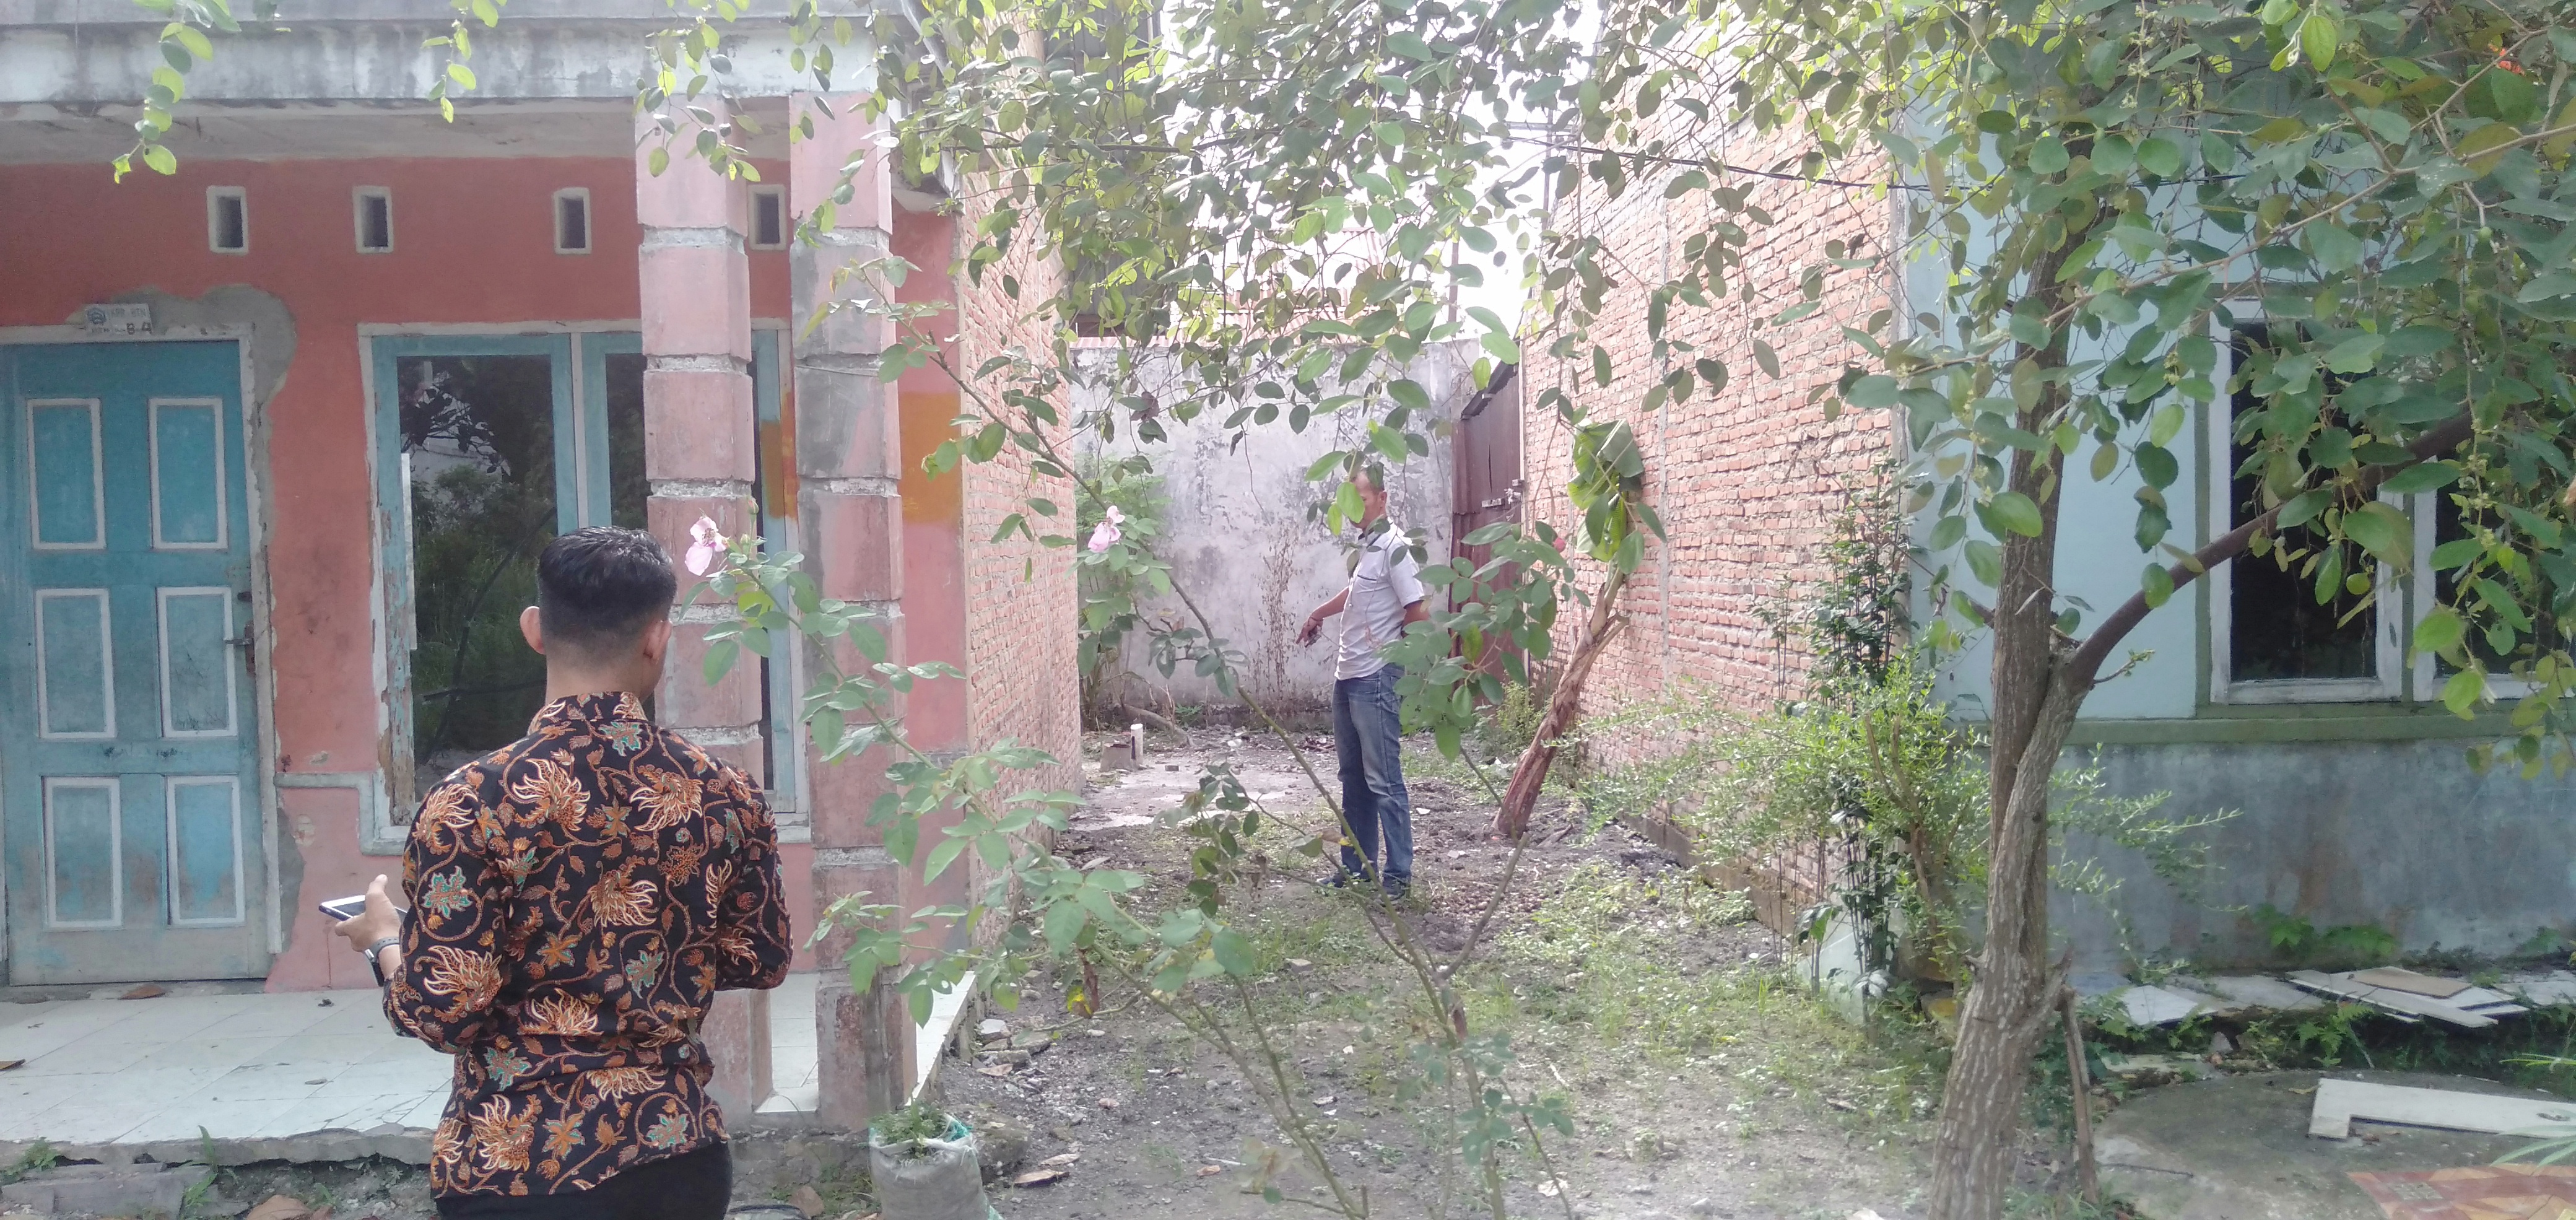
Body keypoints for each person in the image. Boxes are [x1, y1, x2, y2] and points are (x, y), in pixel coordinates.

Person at [334, 526, 793, 1220]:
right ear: (658, 637)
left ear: (534, 630)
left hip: (518, 1168)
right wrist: (648, 951)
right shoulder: (724, 792)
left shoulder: (470, 801)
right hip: (676, 1155)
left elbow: (442, 1010)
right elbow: (758, 957)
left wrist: (384, 942)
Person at [1295, 468, 1429, 899]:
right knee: (1352, 779)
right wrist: (1318, 613)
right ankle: (1357, 870)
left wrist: (1393, 660)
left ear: (1382, 498)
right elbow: (1355, 593)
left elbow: (1417, 610)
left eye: (1362, 498)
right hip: (1348, 676)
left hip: (1375, 678)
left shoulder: (1395, 548)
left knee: (1384, 780)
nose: (1354, 508)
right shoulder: (1368, 548)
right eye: (1347, 501)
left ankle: (1398, 876)